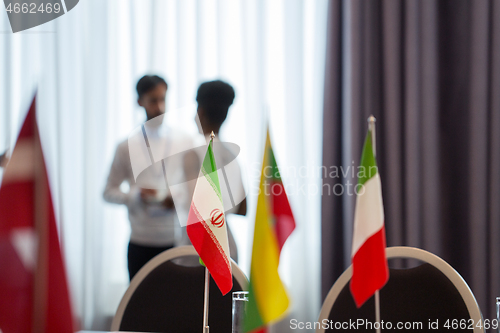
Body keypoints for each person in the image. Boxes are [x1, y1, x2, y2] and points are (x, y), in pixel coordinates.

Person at [103, 75, 191, 280]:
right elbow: (108, 191)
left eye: (163, 99)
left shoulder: (184, 140)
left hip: (174, 240)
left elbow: (194, 188)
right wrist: (135, 195)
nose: (159, 106)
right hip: (140, 240)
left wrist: (175, 197)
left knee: (172, 307)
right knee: (140, 308)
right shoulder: (126, 146)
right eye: (153, 100)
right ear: (139, 101)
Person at [182, 80, 247, 262]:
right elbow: (243, 207)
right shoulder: (233, 154)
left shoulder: (191, 153)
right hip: (228, 247)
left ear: (200, 111)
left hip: (196, 249)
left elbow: (193, 208)